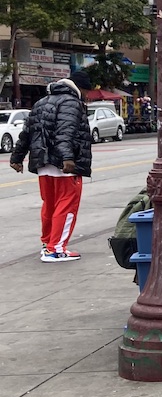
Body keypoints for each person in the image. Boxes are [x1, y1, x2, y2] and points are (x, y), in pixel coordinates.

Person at [10, 78, 92, 262]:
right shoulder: (71, 103)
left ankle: (47, 244)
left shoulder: (41, 102)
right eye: (87, 92)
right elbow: (66, 131)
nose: (87, 97)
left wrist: (17, 157)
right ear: (80, 89)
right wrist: (67, 157)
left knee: (50, 204)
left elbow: (27, 132)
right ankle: (56, 249)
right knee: (67, 205)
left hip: (43, 163)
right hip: (63, 163)